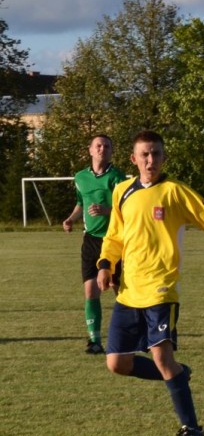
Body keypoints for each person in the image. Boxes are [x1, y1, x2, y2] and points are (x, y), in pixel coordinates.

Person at [97, 130, 204, 436]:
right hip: (128, 292)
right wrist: (105, 265)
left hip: (161, 290)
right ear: (133, 159)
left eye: (156, 153)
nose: (150, 160)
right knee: (117, 363)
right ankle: (179, 374)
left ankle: (192, 428)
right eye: (145, 154)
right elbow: (114, 236)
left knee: (162, 359)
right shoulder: (122, 191)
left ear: (164, 157)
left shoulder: (175, 192)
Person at [62, 135, 128, 354]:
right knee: (91, 291)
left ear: (111, 151)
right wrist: (71, 219)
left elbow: (127, 208)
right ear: (90, 150)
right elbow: (81, 203)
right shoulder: (80, 177)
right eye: (98, 145)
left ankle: (134, 334)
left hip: (114, 240)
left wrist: (106, 210)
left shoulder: (118, 177)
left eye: (107, 146)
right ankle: (94, 341)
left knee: (121, 292)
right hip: (90, 240)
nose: (102, 149)